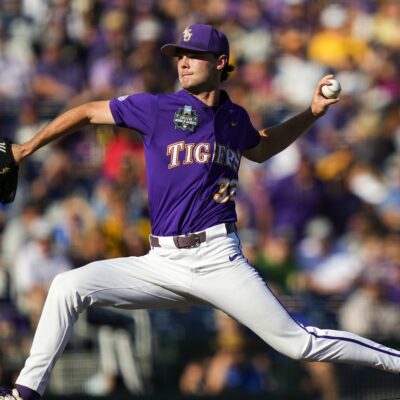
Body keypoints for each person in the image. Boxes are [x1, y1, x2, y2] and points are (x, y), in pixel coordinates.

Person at [2, 24, 400, 400]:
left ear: (221, 62)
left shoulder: (234, 118)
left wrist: (312, 113)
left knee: (300, 344)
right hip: (161, 260)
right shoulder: (157, 108)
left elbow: (260, 148)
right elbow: (88, 111)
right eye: (179, 55)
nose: (183, 62)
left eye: (194, 54)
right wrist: (24, 148)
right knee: (67, 286)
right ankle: (25, 392)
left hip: (217, 258)